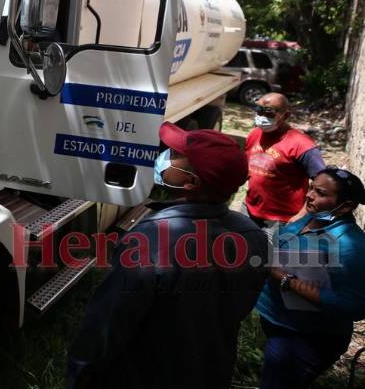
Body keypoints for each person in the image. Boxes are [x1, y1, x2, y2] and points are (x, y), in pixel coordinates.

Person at [67, 123, 268, 389]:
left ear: (190, 182)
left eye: (173, 155)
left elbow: (109, 323)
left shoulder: (149, 243)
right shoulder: (253, 236)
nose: (163, 156)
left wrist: (82, 371)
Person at [256, 166, 365, 389]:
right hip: (280, 324)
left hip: (307, 339)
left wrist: (286, 280)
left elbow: (354, 306)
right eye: (311, 188)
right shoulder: (311, 217)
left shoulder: (350, 246)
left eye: (321, 193)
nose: (309, 195)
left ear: (346, 207)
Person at [244, 93, 325, 229]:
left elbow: (323, 185)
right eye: (258, 110)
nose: (261, 117)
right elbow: (247, 168)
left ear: (285, 116)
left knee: (268, 251)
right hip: (248, 210)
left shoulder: (302, 145)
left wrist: (302, 214)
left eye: (269, 113)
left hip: (281, 221)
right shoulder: (254, 134)